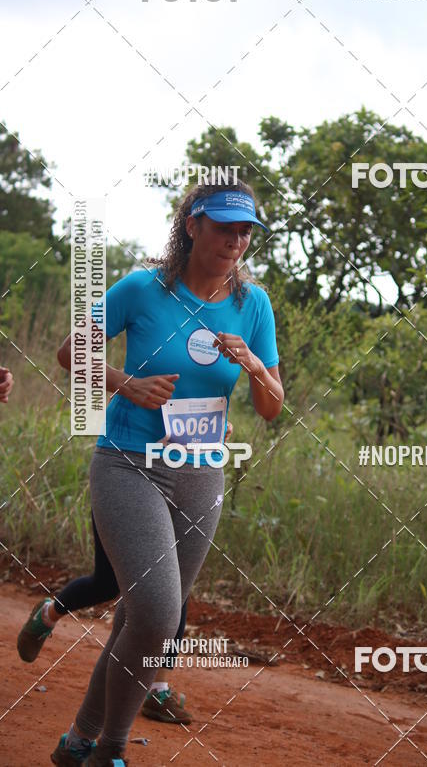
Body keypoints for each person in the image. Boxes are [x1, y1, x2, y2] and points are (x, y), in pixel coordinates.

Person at [48, 181, 284, 766]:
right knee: (156, 611)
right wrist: (125, 383)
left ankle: (79, 742)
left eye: (246, 229)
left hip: (202, 471)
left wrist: (253, 364)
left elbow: (273, 404)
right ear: (193, 226)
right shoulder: (142, 289)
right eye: (225, 226)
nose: (236, 239)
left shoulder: (253, 305)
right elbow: (67, 351)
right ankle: (111, 750)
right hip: (129, 462)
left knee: (141, 616)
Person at [17, 409, 231, 723]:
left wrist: (216, 426)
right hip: (127, 475)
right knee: (107, 583)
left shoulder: (227, 358)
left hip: (188, 475)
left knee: (174, 587)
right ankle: (49, 613)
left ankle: (157, 687)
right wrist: (124, 389)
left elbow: (216, 395)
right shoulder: (142, 360)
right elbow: (78, 364)